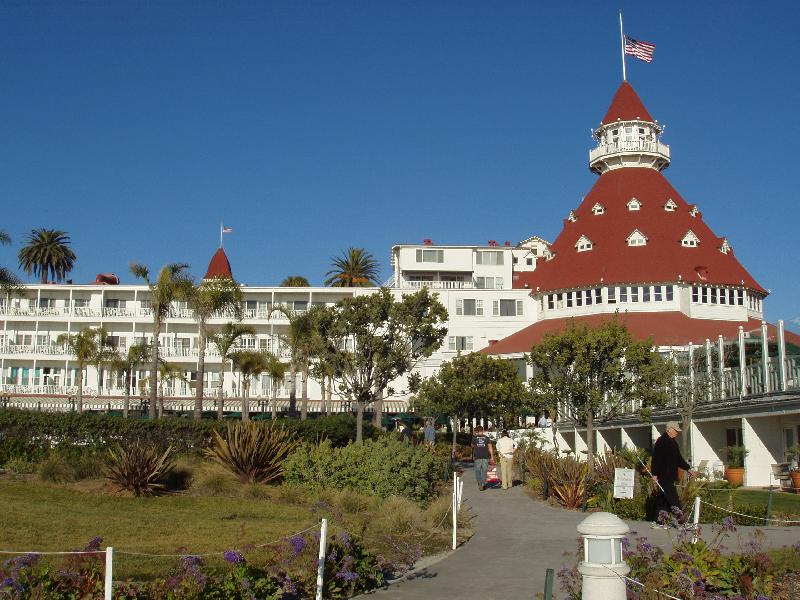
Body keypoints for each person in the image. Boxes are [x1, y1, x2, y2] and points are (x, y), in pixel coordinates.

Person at [650, 421, 697, 527]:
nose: (677, 433)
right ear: (669, 430)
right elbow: (656, 459)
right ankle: (681, 522)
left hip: (671, 475)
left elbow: (678, 459)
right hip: (663, 475)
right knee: (673, 498)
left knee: (663, 499)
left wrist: (688, 469)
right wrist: (654, 474)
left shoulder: (673, 442)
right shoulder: (661, 441)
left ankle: (658, 521)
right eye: (676, 431)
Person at [471, 425, 495, 490]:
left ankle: (480, 484)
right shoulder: (487, 438)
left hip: (477, 457)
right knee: (484, 471)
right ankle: (484, 483)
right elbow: (490, 447)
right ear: (483, 430)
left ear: (477, 431)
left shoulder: (474, 438)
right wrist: (492, 457)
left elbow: (472, 446)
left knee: (478, 471)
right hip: (485, 457)